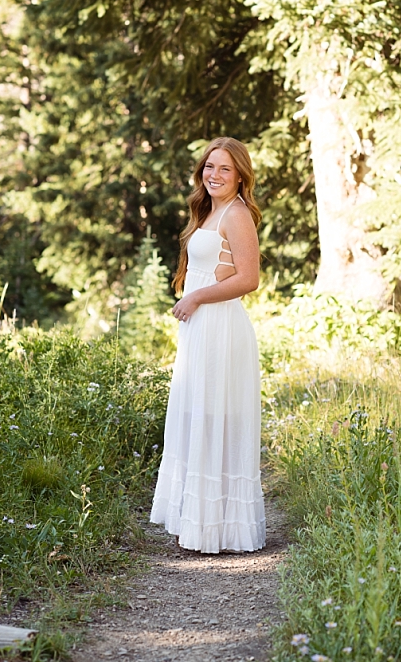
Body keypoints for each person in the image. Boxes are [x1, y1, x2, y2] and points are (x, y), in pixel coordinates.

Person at [149, 137, 265, 553]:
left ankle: (219, 527)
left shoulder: (237, 214)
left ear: (240, 177)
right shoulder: (210, 210)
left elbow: (249, 279)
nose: (214, 175)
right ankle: (197, 522)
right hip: (200, 331)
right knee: (198, 415)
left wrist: (196, 297)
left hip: (221, 330)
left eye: (225, 169)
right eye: (209, 167)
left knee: (214, 416)